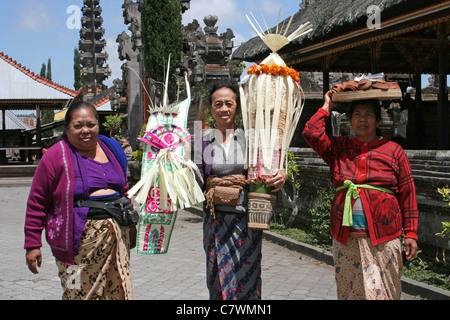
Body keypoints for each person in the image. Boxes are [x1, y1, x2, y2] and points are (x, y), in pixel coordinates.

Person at [302, 90, 419, 300]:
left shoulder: (394, 151)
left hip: (384, 239)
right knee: (350, 293)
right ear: (350, 120)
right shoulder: (339, 148)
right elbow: (311, 133)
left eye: (368, 114)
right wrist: (327, 106)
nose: (362, 119)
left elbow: (408, 194)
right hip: (346, 240)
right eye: (357, 114)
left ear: (377, 121)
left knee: (384, 293)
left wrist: (411, 233)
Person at [24, 102, 137, 300]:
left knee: (117, 291)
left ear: (98, 126)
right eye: (78, 125)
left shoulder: (112, 149)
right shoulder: (55, 155)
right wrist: (32, 244)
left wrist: (131, 224)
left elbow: (123, 190)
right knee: (75, 292)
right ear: (67, 129)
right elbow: (37, 201)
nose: (85, 130)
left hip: (117, 234)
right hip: (74, 243)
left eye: (90, 124)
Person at [195, 81, 288, 300]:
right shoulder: (203, 142)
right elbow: (196, 181)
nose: (223, 109)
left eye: (229, 103)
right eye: (218, 104)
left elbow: (270, 167)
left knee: (246, 275)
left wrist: (282, 173)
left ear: (238, 106)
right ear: (211, 109)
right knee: (217, 276)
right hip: (215, 220)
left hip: (246, 220)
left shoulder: (253, 139)